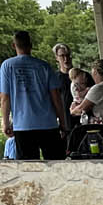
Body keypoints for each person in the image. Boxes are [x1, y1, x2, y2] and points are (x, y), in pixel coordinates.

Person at [0, 31, 67, 160]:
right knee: (56, 164)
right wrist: (63, 122)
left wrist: (6, 123)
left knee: (28, 167)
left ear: (14, 45)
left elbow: (5, 98)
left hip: (23, 126)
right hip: (48, 124)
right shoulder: (44, 66)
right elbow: (56, 97)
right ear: (31, 45)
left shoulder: (7, 66)